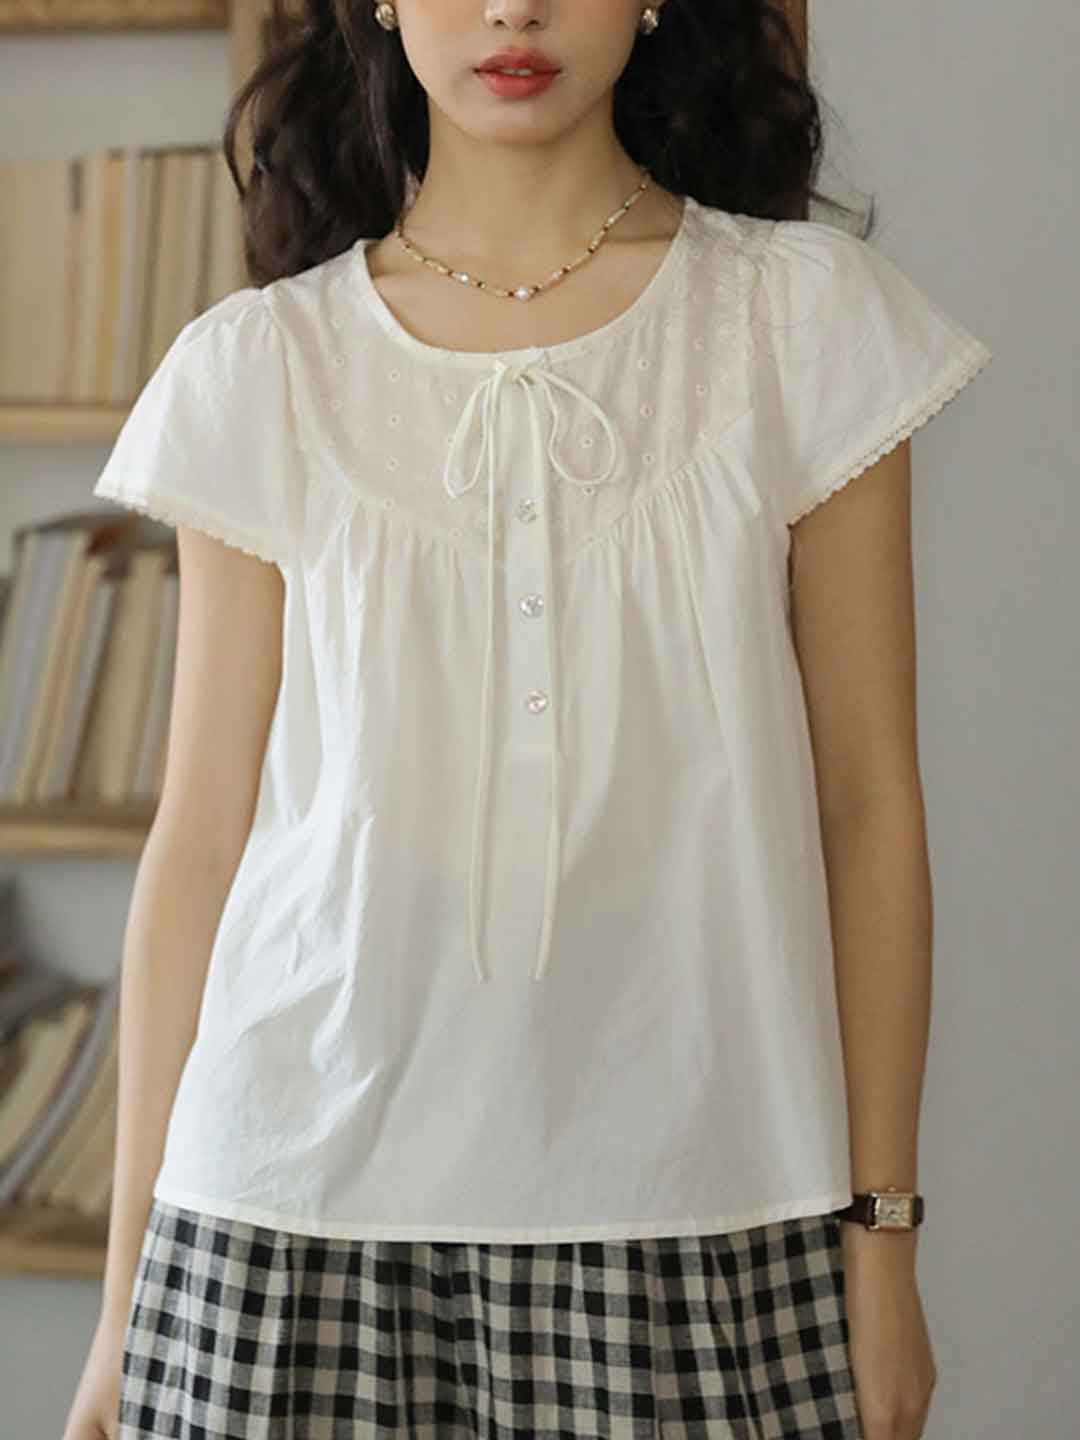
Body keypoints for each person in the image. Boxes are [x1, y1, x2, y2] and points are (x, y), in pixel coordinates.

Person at [65, 2, 992, 1438]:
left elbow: (868, 804)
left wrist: (884, 1240)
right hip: (287, 1227)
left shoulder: (799, 323)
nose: (513, 9)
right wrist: (124, 1312)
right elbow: (201, 846)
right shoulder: (262, 367)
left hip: (706, 1218)